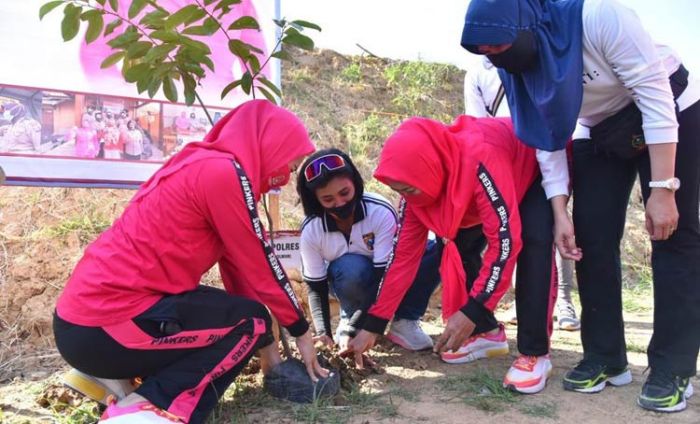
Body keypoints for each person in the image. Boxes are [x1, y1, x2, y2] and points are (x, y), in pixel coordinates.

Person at [461, 0, 699, 412]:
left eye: (498, 48)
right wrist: (559, 210)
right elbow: (546, 133)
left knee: (671, 235)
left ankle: (673, 367)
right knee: (589, 237)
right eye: (485, 53)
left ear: (526, 24)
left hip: (671, 108)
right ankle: (606, 356)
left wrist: (663, 188)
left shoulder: (598, 17)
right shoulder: (513, 66)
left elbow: (653, 93)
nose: (494, 59)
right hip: (599, 127)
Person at [53, 100, 327, 424]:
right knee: (247, 322)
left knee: (239, 315)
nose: (283, 179)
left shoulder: (199, 164)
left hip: (84, 322)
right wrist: (301, 331)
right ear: (269, 146)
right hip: (107, 327)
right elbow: (261, 263)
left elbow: (241, 271)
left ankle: (115, 378)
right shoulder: (223, 173)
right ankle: (149, 408)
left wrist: (271, 354)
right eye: (290, 166)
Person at [346, 115, 558, 394]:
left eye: (409, 189)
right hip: (483, 186)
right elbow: (402, 260)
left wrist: (472, 309)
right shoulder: (415, 193)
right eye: (400, 191)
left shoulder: (479, 157)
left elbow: (505, 244)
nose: (407, 197)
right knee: (457, 244)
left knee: (533, 243)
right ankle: (487, 334)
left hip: (532, 165)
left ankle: (535, 353)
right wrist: (374, 323)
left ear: (429, 167)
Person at [465, 56, 580, 331]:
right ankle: (523, 302)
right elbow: (478, 124)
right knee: (512, 231)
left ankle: (564, 300)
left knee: (547, 228)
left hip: (549, 151)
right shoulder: (477, 74)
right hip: (506, 159)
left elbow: (553, 116)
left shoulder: (540, 62)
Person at [297, 148, 441, 352]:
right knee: (350, 267)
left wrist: (370, 326)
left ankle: (405, 321)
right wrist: (324, 334)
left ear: (355, 183)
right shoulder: (312, 230)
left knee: (432, 249)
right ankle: (350, 316)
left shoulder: (379, 212)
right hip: (347, 280)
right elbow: (315, 286)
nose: (339, 203)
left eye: (344, 193)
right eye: (328, 200)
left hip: (386, 279)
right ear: (316, 201)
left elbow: (385, 275)